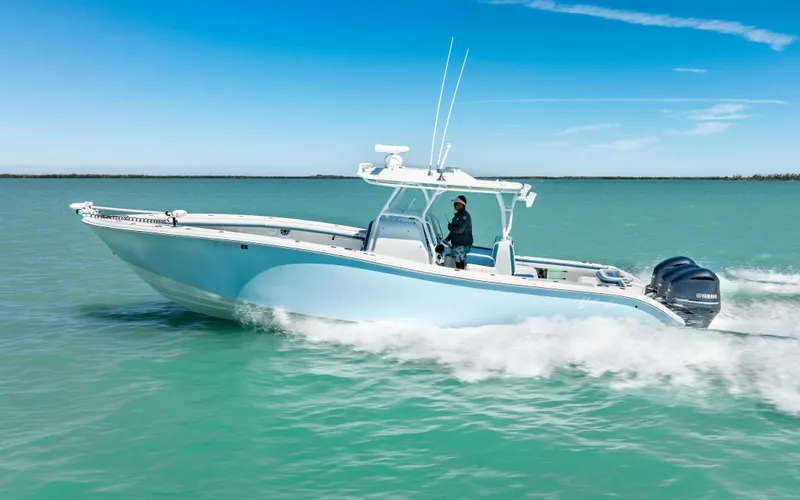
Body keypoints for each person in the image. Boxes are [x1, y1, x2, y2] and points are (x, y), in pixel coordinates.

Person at [444, 195, 473, 270]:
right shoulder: (457, 216)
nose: (454, 206)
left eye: (455, 204)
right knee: (458, 264)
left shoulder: (464, 216)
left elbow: (459, 230)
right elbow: (454, 230)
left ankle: (462, 278)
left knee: (460, 265)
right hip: (457, 246)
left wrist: (451, 228)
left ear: (461, 205)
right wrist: (448, 238)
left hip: (462, 246)